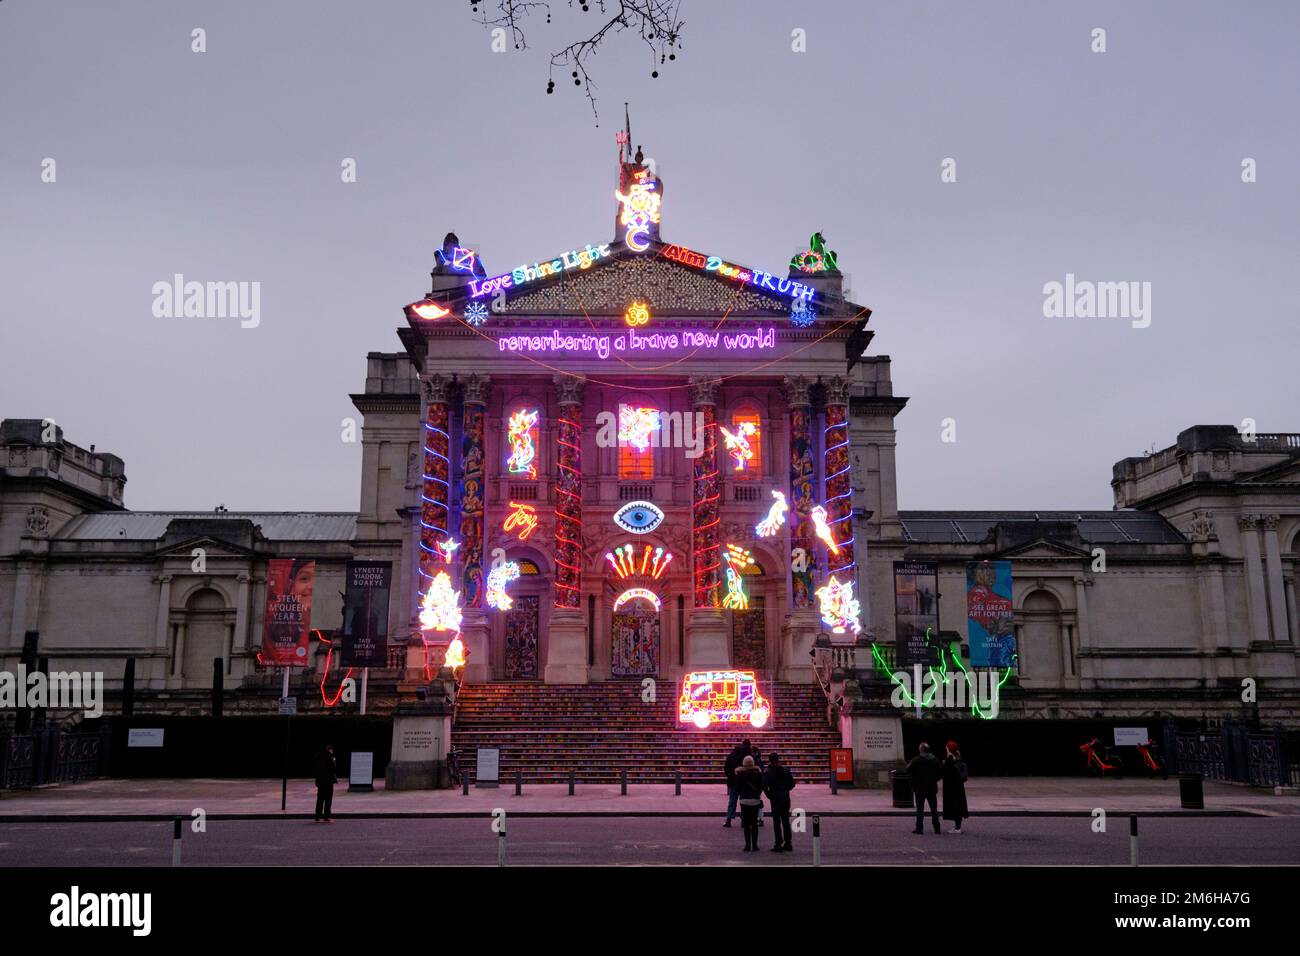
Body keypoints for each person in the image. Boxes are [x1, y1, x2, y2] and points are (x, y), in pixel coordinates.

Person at [762, 751, 797, 852]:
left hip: (775, 798)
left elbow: (764, 786)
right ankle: (788, 843)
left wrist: (770, 795)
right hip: (785, 798)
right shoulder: (785, 770)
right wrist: (785, 790)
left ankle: (778, 843)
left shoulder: (768, 772)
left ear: (770, 760)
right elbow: (792, 784)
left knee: (777, 822)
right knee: (785, 821)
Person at [904, 742, 942, 834]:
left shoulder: (916, 760)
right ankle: (937, 827)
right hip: (931, 787)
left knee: (920, 809)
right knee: (934, 809)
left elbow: (907, 770)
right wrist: (935, 780)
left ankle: (919, 828)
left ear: (920, 750)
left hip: (919, 787)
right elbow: (940, 773)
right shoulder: (935, 760)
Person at [734, 755, 765, 852]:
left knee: (746, 824)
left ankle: (747, 845)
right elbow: (761, 787)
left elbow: (737, 789)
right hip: (755, 801)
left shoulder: (740, 775)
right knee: (754, 824)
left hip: (744, 801)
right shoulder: (758, 774)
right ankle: (755, 845)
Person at [941, 740, 969, 833]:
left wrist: (944, 764)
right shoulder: (959, 758)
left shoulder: (950, 760)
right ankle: (958, 826)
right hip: (959, 787)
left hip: (952, 787)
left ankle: (957, 828)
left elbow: (946, 774)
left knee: (955, 806)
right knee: (959, 806)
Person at [723, 739, 750, 828]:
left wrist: (730, 776)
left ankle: (728, 820)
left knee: (732, 801)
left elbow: (726, 768)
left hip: (733, 782)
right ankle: (744, 820)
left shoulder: (731, 755)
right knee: (743, 802)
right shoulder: (746, 756)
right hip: (743, 782)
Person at [314, 743, 338, 823]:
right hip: (328, 782)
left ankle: (317, 816)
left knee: (320, 799)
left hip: (320, 781)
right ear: (330, 750)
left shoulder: (318, 757)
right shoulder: (330, 757)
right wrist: (334, 761)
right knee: (328, 799)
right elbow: (334, 769)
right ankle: (326, 817)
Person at [749, 743, 764, 826]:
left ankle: (755, 818)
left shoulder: (753, 760)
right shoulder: (760, 760)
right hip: (758, 784)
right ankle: (760, 818)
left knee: (753, 802)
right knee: (759, 801)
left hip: (753, 784)